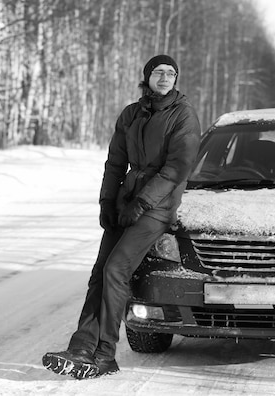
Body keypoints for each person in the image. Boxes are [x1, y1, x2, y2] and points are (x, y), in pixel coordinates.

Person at [42, 54, 201, 379]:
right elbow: (115, 163)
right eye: (159, 72)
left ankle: (104, 354)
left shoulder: (183, 115)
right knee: (101, 272)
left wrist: (141, 204)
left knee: (117, 269)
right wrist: (106, 202)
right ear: (147, 76)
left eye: (171, 73)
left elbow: (176, 169)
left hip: (157, 207)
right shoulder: (131, 114)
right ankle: (82, 348)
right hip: (126, 200)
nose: (165, 77)